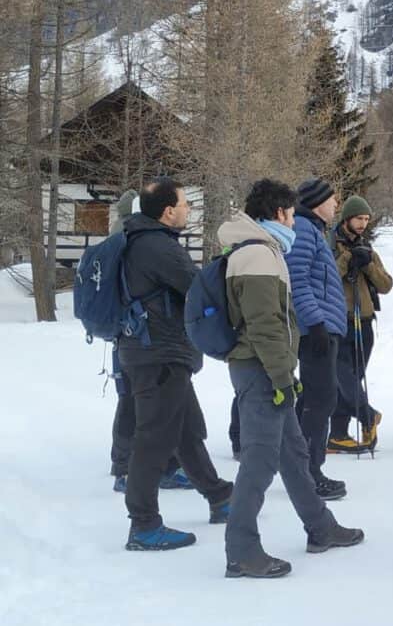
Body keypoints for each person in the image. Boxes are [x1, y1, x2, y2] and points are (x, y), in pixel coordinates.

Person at [221, 179, 365, 579]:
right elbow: (266, 325)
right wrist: (284, 378)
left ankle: (320, 527)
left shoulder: (262, 249)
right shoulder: (259, 256)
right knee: (260, 460)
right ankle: (242, 549)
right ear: (281, 213)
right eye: (290, 212)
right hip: (261, 368)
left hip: (265, 366)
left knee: (293, 454)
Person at [119, 178, 233, 551]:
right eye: (185, 205)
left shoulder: (145, 240)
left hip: (159, 352)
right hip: (159, 355)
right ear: (168, 212)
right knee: (154, 439)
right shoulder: (157, 246)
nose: (189, 210)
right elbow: (198, 288)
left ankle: (218, 496)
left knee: (185, 431)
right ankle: (144, 525)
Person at [108, 189, 190, 493]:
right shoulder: (139, 237)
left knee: (132, 397)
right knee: (142, 402)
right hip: (144, 332)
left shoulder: (123, 234)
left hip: (127, 330)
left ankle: (127, 464)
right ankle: (131, 471)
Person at [287, 178, 349, 501]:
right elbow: (297, 282)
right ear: (317, 203)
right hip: (315, 332)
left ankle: (301, 468)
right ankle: (309, 472)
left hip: (323, 327)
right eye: (332, 199)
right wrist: (316, 324)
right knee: (319, 400)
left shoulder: (313, 230)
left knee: (317, 399)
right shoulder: (303, 229)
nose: (337, 204)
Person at [331, 195, 393, 455]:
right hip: (339, 319)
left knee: (352, 378)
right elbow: (329, 277)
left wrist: (367, 264)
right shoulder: (329, 245)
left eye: (366, 219)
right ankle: (367, 415)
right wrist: (347, 261)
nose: (362, 224)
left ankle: (338, 434)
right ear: (347, 218)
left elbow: (386, 285)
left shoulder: (367, 249)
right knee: (341, 376)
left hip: (364, 321)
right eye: (359, 218)